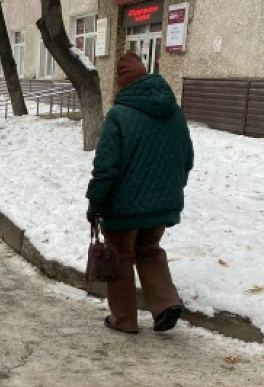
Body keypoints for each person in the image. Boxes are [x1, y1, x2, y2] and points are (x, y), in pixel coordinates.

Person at [85, 52, 194, 334]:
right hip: (162, 203)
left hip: (123, 207)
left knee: (120, 256)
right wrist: (172, 189)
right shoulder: (174, 112)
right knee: (149, 250)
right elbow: (187, 158)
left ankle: (124, 320)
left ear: (121, 84)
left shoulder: (118, 116)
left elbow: (106, 168)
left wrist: (95, 203)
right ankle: (165, 303)